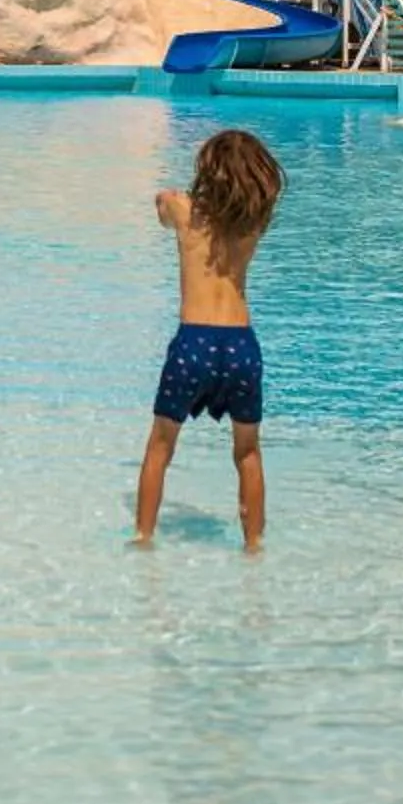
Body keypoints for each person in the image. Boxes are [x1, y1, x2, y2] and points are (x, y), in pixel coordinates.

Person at [135, 128, 285, 553]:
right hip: (240, 344)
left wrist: (172, 197)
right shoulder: (253, 223)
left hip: (194, 341)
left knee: (161, 445)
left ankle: (144, 537)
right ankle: (253, 545)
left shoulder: (185, 211)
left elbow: (161, 203)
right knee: (247, 452)